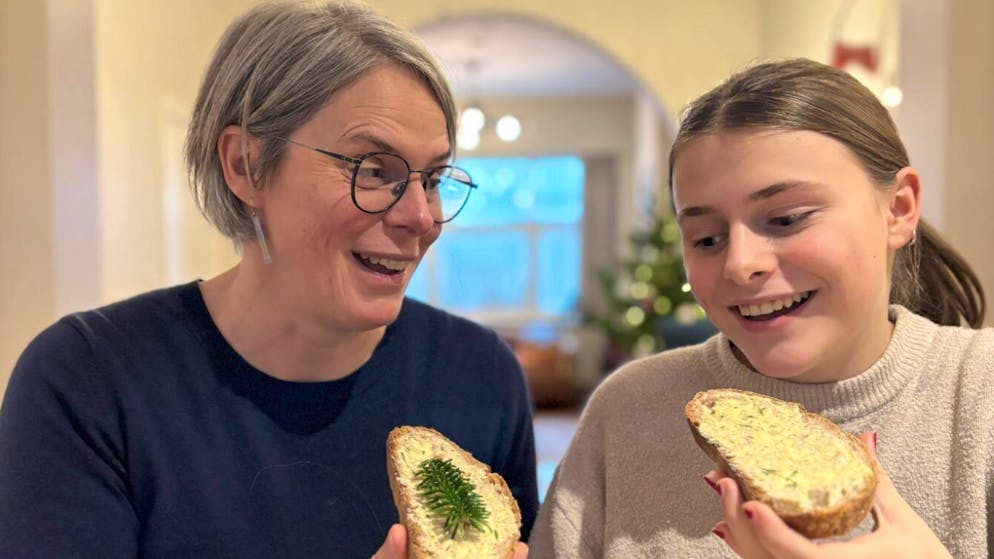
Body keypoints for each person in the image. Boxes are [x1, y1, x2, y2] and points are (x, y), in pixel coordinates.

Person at [0, 2, 537, 557]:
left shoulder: (481, 376)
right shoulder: (88, 382)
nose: (421, 218)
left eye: (431, 178)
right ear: (245, 166)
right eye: (375, 170)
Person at [529, 58, 991, 558]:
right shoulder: (627, 413)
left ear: (899, 209)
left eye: (787, 219)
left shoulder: (980, 395)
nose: (740, 264)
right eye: (706, 238)